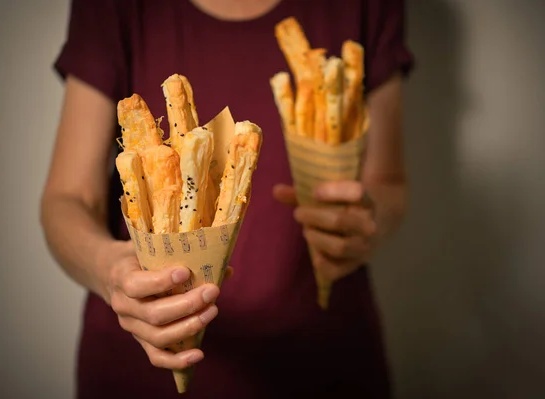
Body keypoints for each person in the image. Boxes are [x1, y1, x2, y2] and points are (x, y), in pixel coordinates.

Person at [40, 0, 413, 397]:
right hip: (137, 368)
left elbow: (388, 183)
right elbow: (68, 197)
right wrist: (108, 269)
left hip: (321, 362)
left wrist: (365, 224)